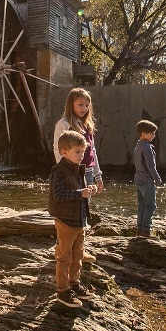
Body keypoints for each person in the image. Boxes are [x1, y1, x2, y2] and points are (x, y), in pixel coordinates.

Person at [48, 129, 99, 308]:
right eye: (77, 152)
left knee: (77, 256)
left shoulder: (78, 169)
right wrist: (80, 193)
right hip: (66, 222)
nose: (81, 155)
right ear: (64, 152)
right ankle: (62, 291)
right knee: (64, 257)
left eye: (83, 152)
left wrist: (89, 189)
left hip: (79, 222)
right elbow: (59, 195)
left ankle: (75, 284)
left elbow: (80, 192)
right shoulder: (58, 171)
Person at [53, 87, 102, 264]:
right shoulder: (64, 124)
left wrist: (98, 175)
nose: (84, 108)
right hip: (71, 172)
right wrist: (64, 171)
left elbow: (93, 152)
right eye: (80, 104)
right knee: (68, 209)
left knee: (83, 210)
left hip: (87, 172)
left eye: (87, 105)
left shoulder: (87, 125)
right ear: (71, 104)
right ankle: (62, 247)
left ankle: (79, 249)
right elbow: (58, 149)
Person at [133, 119, 163, 238]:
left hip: (138, 178)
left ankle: (139, 229)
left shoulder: (138, 145)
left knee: (142, 205)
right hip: (146, 179)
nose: (154, 136)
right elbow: (151, 166)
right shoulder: (147, 147)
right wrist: (158, 179)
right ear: (144, 134)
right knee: (150, 205)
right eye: (152, 133)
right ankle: (145, 230)